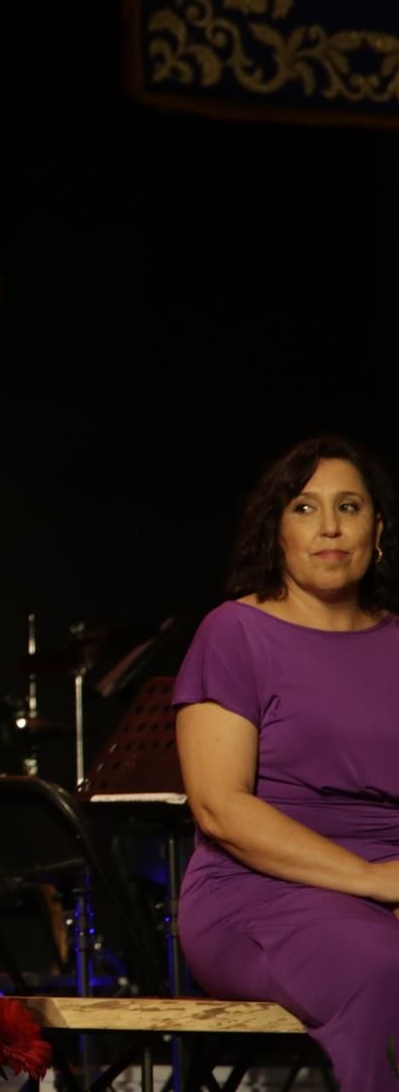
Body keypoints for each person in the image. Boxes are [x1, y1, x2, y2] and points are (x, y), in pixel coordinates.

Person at [176, 436, 399, 1091]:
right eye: (303, 508)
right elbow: (220, 808)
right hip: (258, 892)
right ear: (274, 530)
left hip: (388, 885)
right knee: (383, 968)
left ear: (376, 530)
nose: (328, 526)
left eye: (348, 506)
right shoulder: (234, 632)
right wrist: (372, 880)